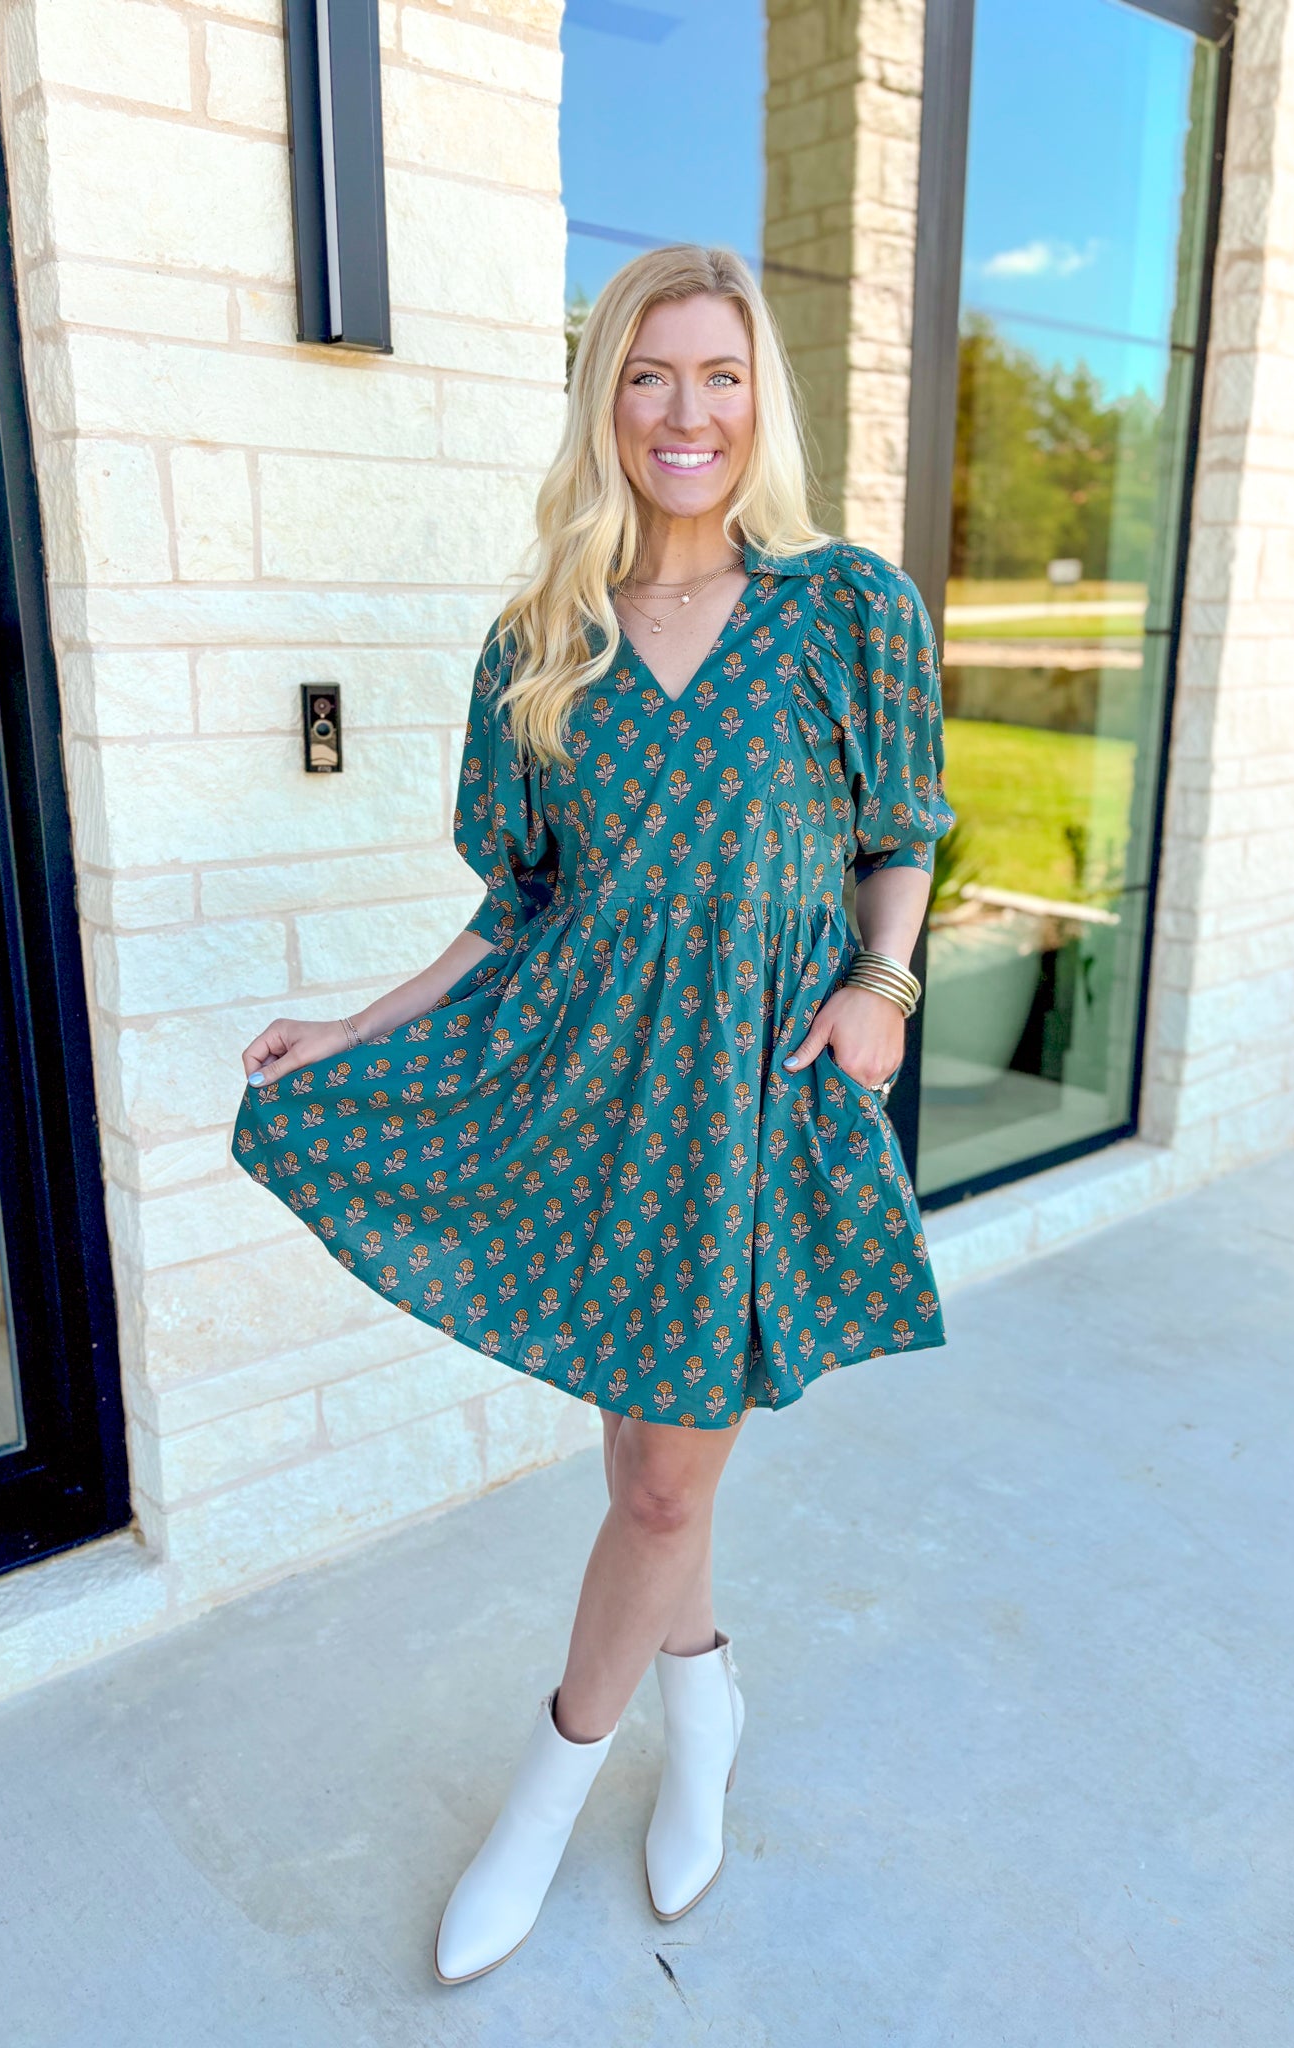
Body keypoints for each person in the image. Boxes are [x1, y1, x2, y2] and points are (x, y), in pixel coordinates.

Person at [233, 243, 955, 1985]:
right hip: (594, 1089)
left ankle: (549, 1790)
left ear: (755, 398)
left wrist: (885, 985)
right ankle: (699, 1715)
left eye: (716, 376)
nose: (683, 413)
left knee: (650, 1488)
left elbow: (903, 828)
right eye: (647, 377)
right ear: (604, 404)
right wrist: (356, 1024)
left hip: (757, 1100)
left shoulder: (846, 605)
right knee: (650, 1475)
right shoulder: (537, 641)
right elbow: (513, 914)